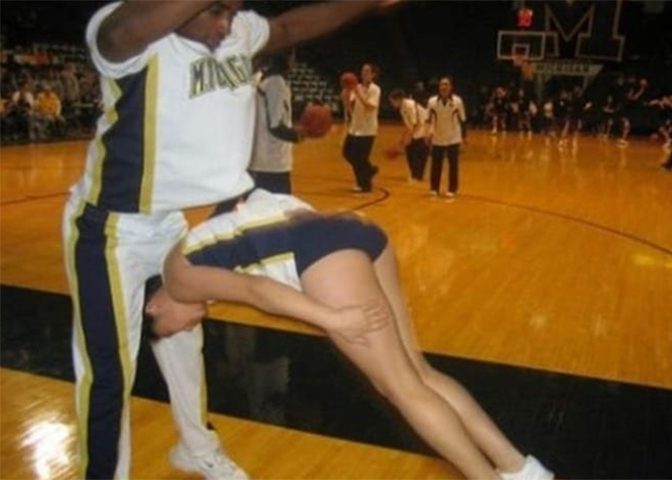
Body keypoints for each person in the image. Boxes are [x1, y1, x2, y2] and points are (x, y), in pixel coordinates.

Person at [62, 2, 396, 479]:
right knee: (109, 369)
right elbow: (119, 34)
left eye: (233, 11)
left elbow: (288, 26)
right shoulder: (133, 37)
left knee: (184, 341)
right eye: (216, 11)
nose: (226, 25)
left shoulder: (236, 31)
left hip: (170, 223)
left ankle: (196, 447)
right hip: (110, 229)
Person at [151, 188, 554, 480]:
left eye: (171, 330)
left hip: (322, 252)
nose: (187, 327)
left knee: (400, 387)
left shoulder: (178, 279)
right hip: (354, 229)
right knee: (419, 373)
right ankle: (521, 469)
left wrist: (332, 319)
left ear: (153, 306)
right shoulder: (197, 245)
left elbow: (259, 291)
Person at [249, 50, 300, 194]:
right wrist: (299, 135)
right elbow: (275, 126)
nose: (294, 60)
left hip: (264, 160)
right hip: (272, 162)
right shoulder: (275, 82)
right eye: (292, 56)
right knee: (278, 205)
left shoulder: (266, 79)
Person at [341, 63, 381, 192]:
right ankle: (369, 170)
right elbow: (350, 107)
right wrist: (346, 94)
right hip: (355, 127)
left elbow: (370, 107)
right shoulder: (357, 87)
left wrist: (358, 93)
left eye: (367, 71)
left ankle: (364, 185)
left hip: (368, 129)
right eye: (363, 71)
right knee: (347, 153)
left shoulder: (375, 89)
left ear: (373, 75)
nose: (364, 73)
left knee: (360, 158)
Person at [427, 77, 466, 198]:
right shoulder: (432, 102)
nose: (444, 87)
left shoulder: (457, 101)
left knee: (453, 165)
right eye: (441, 84)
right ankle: (434, 188)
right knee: (435, 165)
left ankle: (452, 189)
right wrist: (428, 134)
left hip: (453, 137)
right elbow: (428, 120)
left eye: (446, 84)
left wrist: (464, 137)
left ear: (451, 87)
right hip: (437, 137)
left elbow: (463, 119)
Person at [388, 88, 429, 182]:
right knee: (410, 150)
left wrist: (409, 137)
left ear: (398, 99)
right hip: (417, 129)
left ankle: (417, 176)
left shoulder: (410, 105)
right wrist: (403, 139)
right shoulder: (402, 109)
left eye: (392, 101)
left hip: (424, 127)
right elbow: (408, 125)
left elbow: (415, 123)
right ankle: (416, 174)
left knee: (417, 152)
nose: (391, 104)